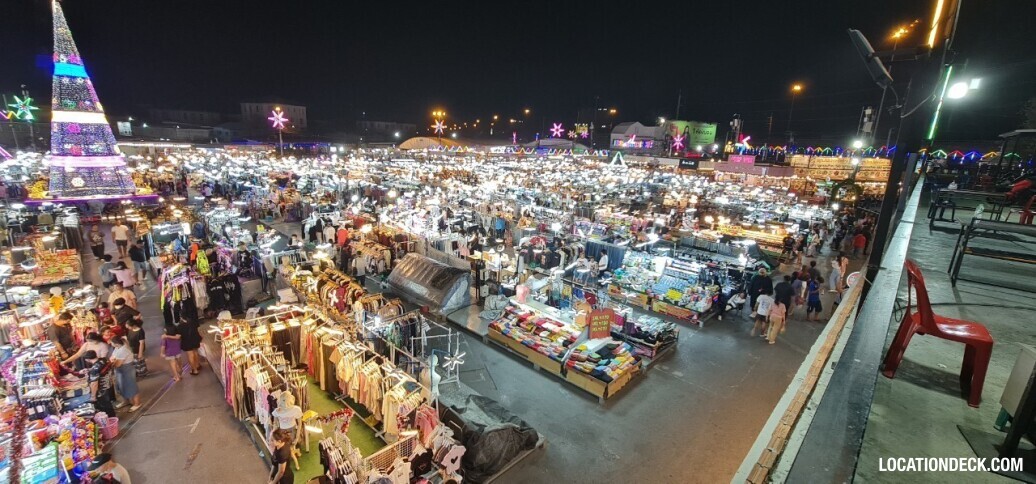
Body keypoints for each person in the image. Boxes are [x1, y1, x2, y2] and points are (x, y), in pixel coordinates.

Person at [110, 336, 141, 412]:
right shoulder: (117, 348)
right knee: (121, 386)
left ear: (116, 343)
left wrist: (113, 362)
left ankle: (137, 403)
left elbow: (118, 364)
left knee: (131, 386)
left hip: (127, 370)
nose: (110, 343)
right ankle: (126, 401)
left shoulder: (123, 350)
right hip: (120, 371)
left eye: (111, 342)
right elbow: (112, 357)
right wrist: (113, 360)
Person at [84, 350, 116, 417]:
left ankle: (110, 420)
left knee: (105, 407)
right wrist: (89, 370)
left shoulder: (94, 369)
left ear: (87, 359)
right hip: (109, 385)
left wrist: (93, 396)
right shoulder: (104, 360)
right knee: (109, 404)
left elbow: (94, 384)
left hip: (102, 391)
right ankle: (113, 417)